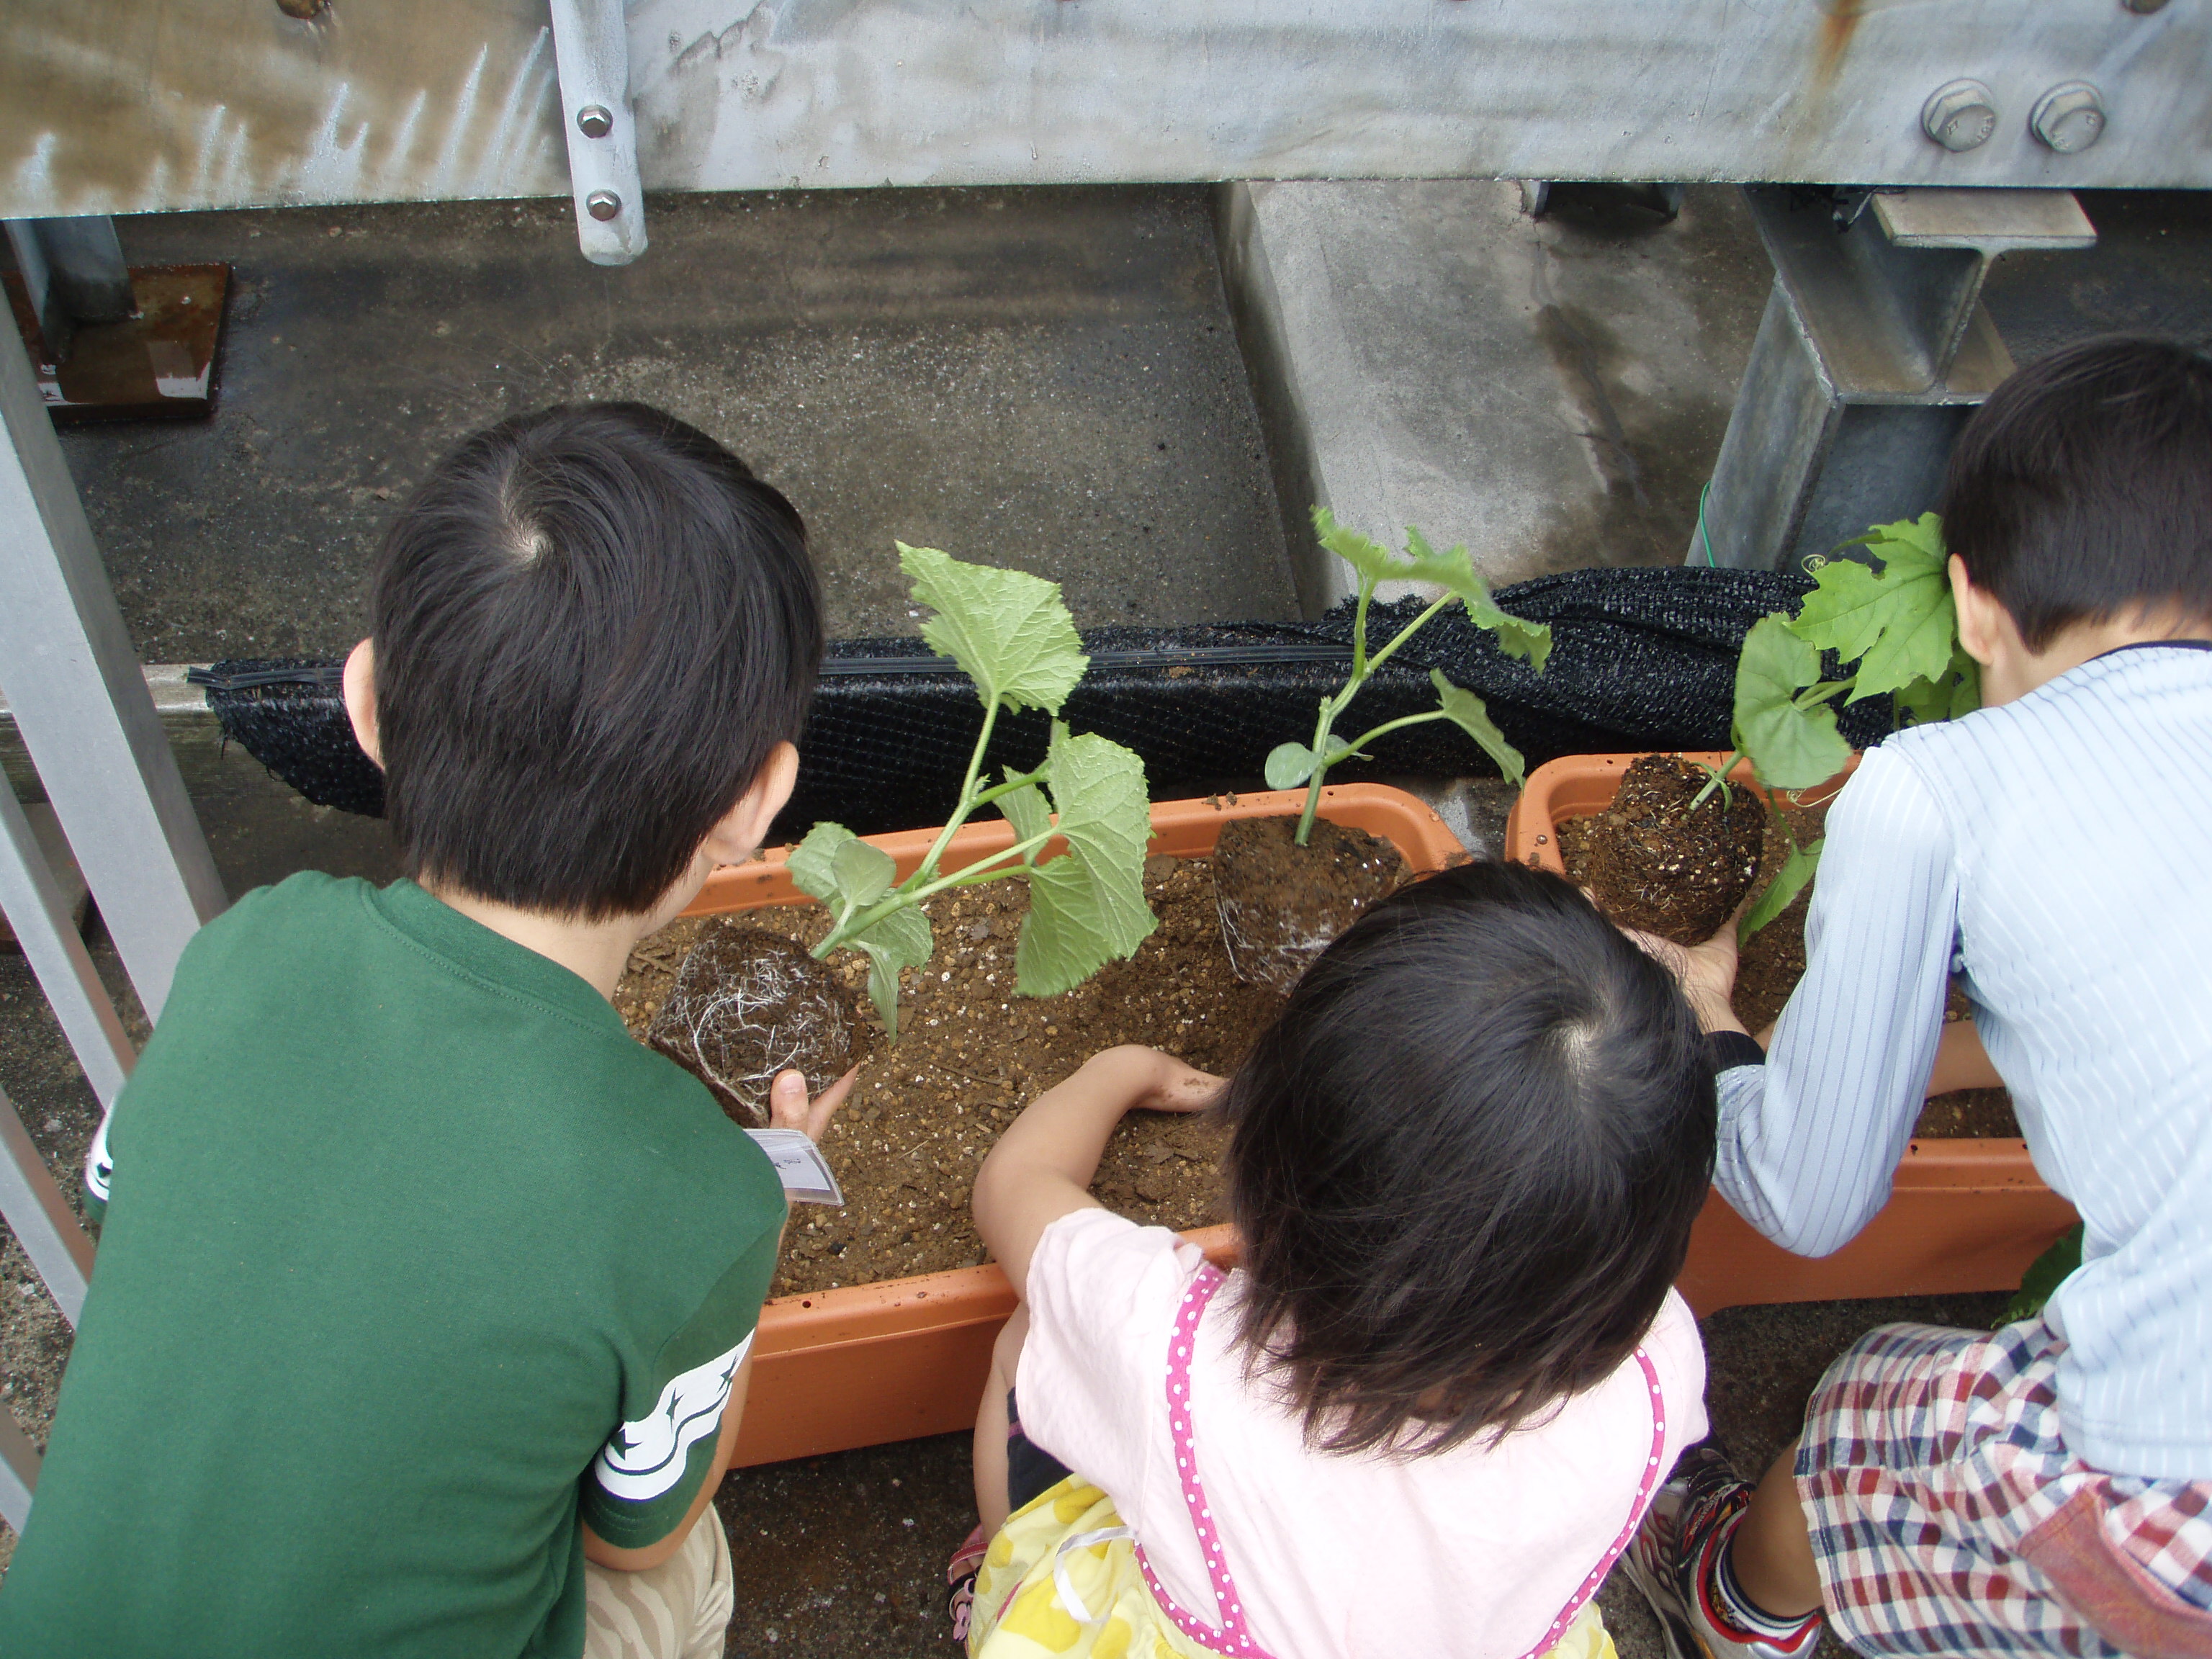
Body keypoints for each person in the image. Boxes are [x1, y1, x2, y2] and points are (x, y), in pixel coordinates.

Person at [0, 404, 854, 1658]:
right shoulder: (697, 1187)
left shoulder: (246, 949)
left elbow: (139, 1212)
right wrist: (763, 1194)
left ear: (366, 703)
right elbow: (634, 1534)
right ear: (752, 804)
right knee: (691, 1561)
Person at [1623, 336, 2212, 1659]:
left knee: (1865, 1420)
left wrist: (1717, 1036)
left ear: (1969, 599)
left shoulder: (1937, 783)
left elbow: (1813, 1195)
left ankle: (1731, 1604)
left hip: (2175, 1496)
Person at [949, 860, 1721, 1659]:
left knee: (1029, 1332)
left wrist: (1119, 1070)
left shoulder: (1176, 1365)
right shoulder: (1660, 1372)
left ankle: (1006, 1578)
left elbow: (1014, 1186)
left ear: (1269, 1175)